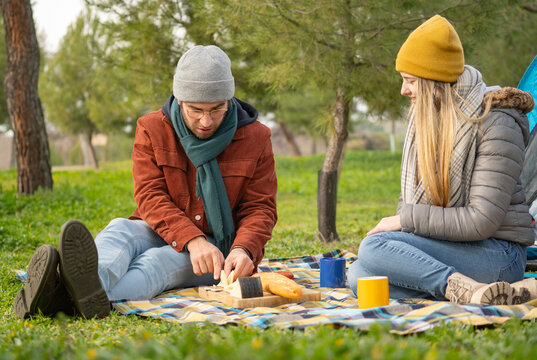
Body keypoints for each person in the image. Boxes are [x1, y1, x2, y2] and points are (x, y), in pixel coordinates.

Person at [14, 45, 278, 319]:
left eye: (217, 109)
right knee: (120, 230)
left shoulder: (256, 138)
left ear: (230, 100)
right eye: (195, 110)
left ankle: (59, 298)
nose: (206, 120)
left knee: (156, 262)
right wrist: (192, 239)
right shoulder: (152, 128)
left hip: (219, 253)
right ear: (179, 98)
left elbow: (261, 208)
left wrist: (242, 248)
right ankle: (84, 287)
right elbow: (150, 196)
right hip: (163, 229)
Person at [347, 15, 537, 305]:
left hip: (498, 254)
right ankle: (468, 290)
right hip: (453, 247)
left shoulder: (496, 121)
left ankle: (455, 286)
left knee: (373, 250)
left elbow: (480, 221)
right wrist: (404, 222)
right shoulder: (432, 123)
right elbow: (409, 205)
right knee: (360, 274)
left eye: (410, 81)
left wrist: (404, 220)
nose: (404, 91)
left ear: (433, 81)